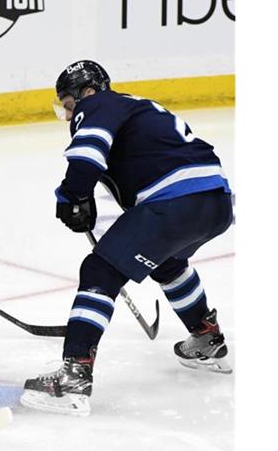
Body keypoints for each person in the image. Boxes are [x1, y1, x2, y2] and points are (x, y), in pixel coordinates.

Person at [20, 60, 233, 416]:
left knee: (99, 272)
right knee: (167, 262)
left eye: (69, 103)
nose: (70, 114)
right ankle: (207, 338)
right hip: (215, 202)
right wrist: (80, 199)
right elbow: (124, 190)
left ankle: (74, 376)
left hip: (174, 202)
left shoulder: (98, 104)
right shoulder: (135, 109)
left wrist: (72, 197)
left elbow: (87, 158)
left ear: (86, 91)